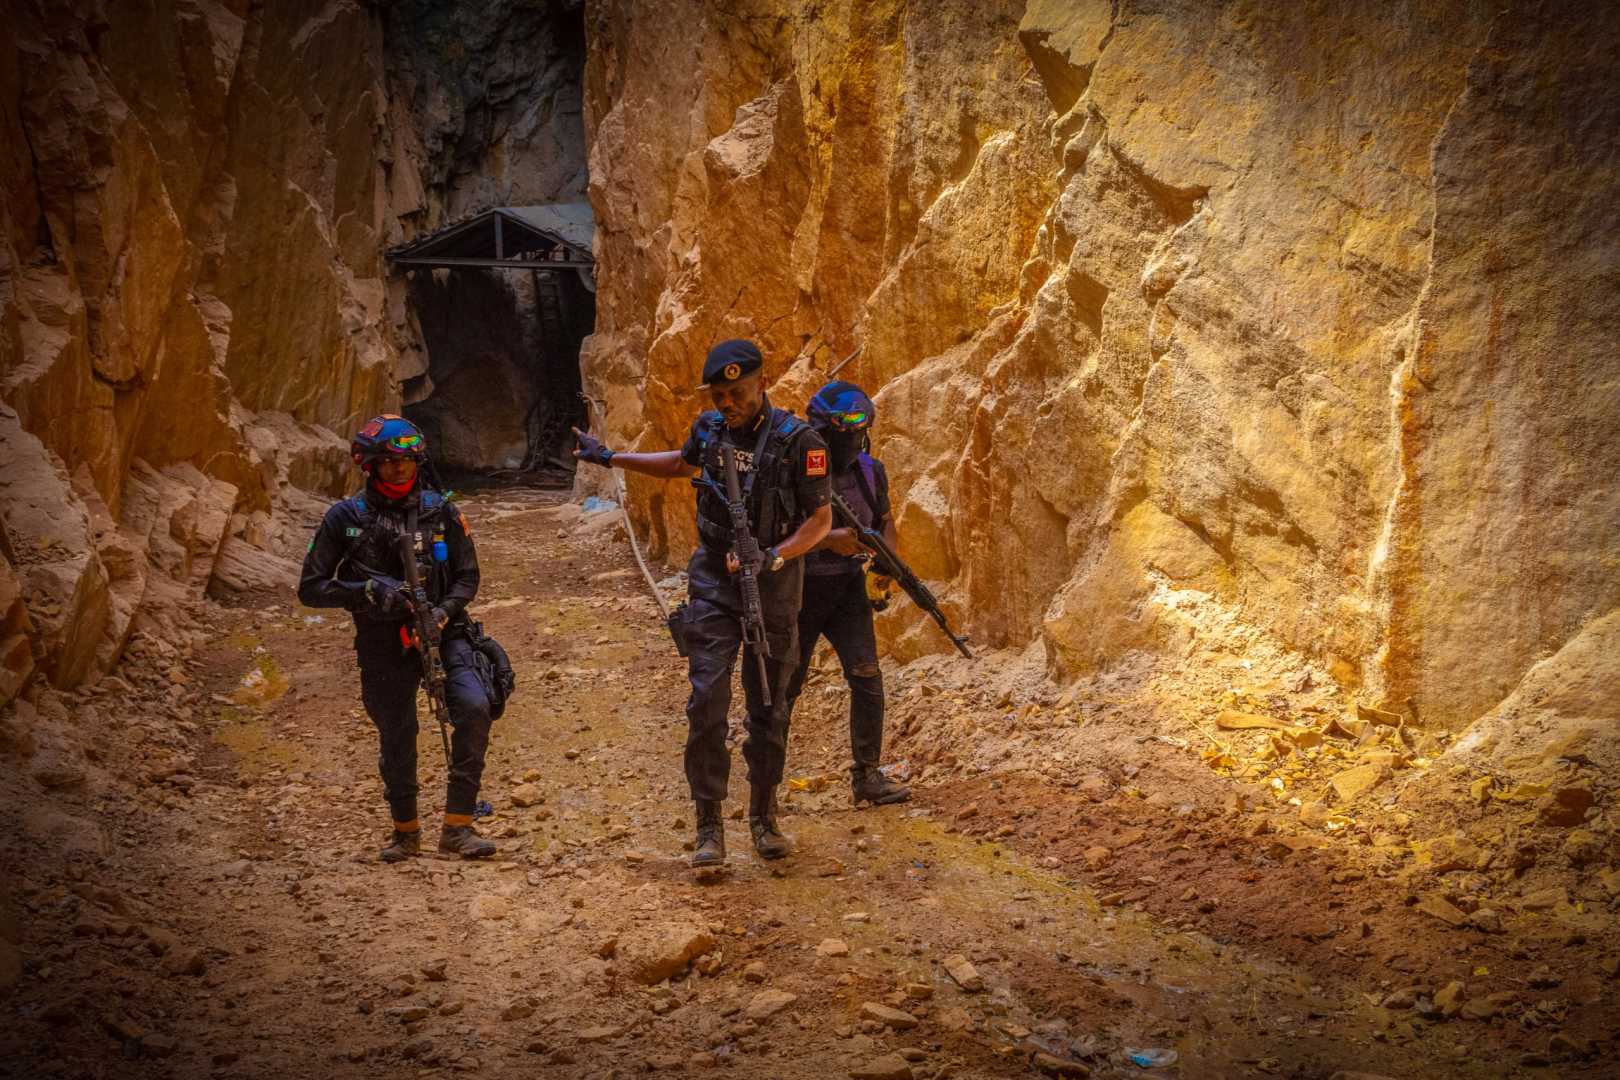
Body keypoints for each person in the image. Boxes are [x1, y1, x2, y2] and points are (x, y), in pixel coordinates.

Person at [572, 340, 832, 866]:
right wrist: (610, 456)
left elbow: (820, 521)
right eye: (719, 396)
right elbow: (679, 464)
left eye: (736, 393)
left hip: (774, 586)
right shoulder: (710, 430)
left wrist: (774, 556)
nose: (727, 403)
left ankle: (763, 817)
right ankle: (709, 824)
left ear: (763, 382)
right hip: (714, 578)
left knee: (769, 706)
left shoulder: (799, 442)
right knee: (707, 700)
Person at [297, 415, 496, 862]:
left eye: (406, 460)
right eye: (388, 461)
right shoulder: (345, 518)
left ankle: (458, 827)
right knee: (397, 731)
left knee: (475, 707)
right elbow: (311, 588)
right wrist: (366, 591)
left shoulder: (441, 510)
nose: (399, 468)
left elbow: (467, 577)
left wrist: (441, 614)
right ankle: (406, 833)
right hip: (382, 638)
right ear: (370, 465)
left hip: (444, 631)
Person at [784, 381, 911, 807]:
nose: (853, 441)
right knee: (786, 685)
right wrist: (826, 539)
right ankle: (766, 780)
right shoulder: (792, 469)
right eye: (844, 432)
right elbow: (775, 537)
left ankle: (867, 775)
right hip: (798, 589)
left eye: (860, 431)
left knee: (867, 676)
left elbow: (885, 520)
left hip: (846, 589)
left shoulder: (869, 471)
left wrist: (886, 561)